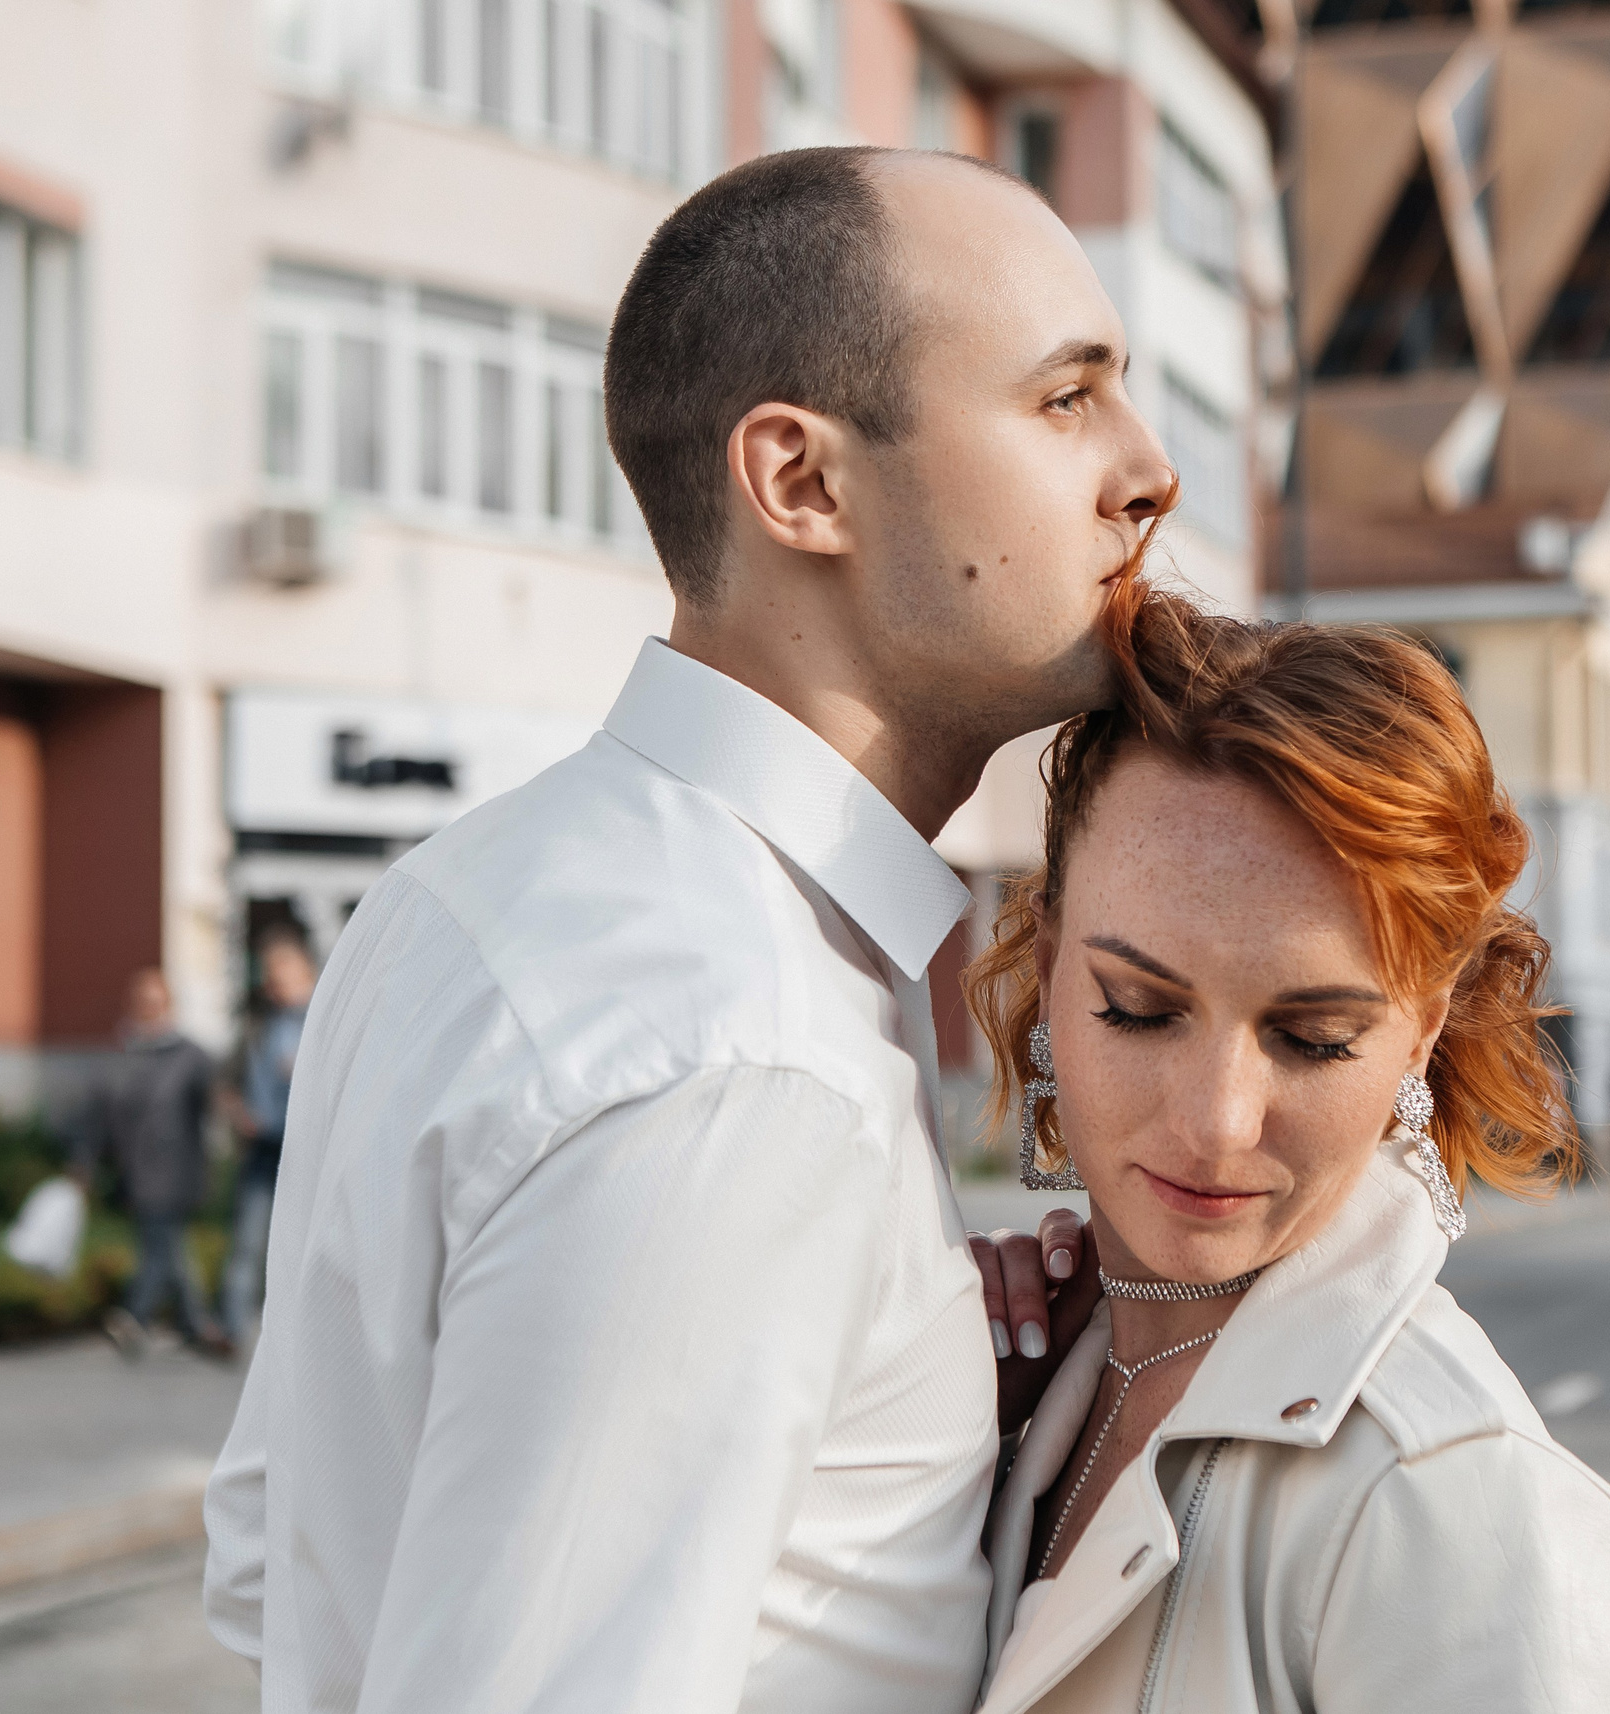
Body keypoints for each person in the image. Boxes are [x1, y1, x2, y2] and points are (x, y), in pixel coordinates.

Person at [203, 145, 1168, 1712]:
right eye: (1068, 399)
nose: (1146, 468)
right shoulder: (741, 1049)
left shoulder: (469, 893)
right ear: (801, 481)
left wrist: (891, 1368)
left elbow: (275, 1555)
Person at [963, 596, 1610, 1713]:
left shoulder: (1450, 1498)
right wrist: (940, 1426)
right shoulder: (1020, 1392)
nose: (1217, 1120)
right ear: (1048, 965)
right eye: (1139, 1008)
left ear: (1420, 1032)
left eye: (1312, 1037)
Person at [75, 968, 230, 1360]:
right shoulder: (122, 1057)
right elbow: (99, 1115)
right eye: (142, 1002)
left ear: (168, 1005)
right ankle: (201, 1326)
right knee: (169, 1248)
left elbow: (215, 1104)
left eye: (156, 1002)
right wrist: (84, 1162)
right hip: (135, 1171)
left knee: (160, 1248)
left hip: (176, 1171)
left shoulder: (191, 1056)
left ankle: (134, 1315)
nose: (149, 1010)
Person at [217, 927, 316, 1351]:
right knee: (248, 1239)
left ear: (306, 970)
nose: (275, 983)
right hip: (262, 1147)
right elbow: (227, 1081)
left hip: (308, 1151)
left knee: (305, 1246)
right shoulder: (258, 1023)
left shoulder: (328, 1017)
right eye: (270, 976)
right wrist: (239, 1114)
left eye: (283, 972)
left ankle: (301, 1334)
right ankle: (234, 1330)